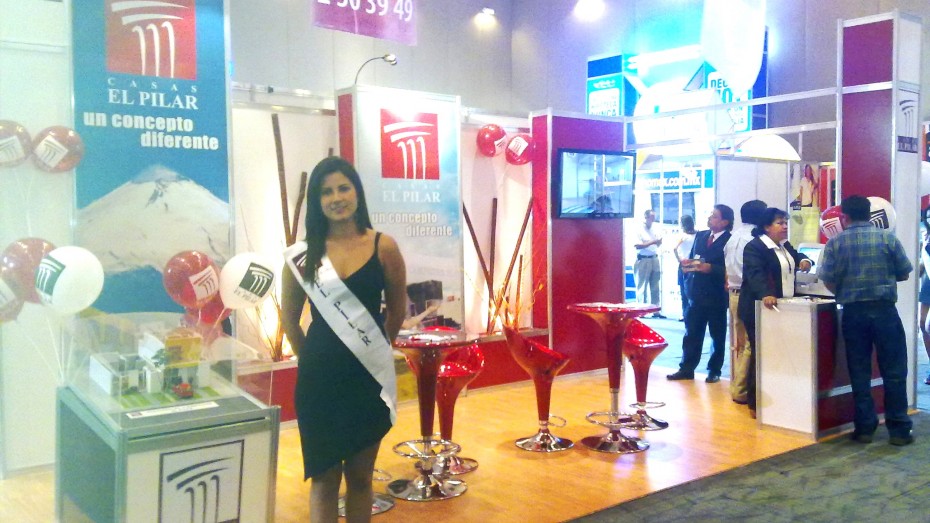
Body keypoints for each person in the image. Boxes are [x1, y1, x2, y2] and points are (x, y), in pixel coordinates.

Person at [281, 156, 408, 522]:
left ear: (357, 192)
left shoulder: (384, 246)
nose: (336, 198)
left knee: (361, 478)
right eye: (326, 192)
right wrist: (311, 359)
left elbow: (397, 310)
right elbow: (289, 319)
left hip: (367, 379)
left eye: (343, 188)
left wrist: (377, 352)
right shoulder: (302, 255)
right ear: (317, 201)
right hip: (319, 380)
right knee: (323, 479)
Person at [819, 195, 914, 446]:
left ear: (844, 217)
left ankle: (864, 428)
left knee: (859, 372)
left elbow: (827, 278)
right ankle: (899, 430)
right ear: (870, 214)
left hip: (853, 314)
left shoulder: (835, 243)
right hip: (885, 312)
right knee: (894, 371)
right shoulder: (888, 238)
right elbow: (904, 272)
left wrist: (843, 291)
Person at [738, 207, 812, 418]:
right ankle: (755, 402)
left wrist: (805, 260)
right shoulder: (755, 247)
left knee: (779, 353)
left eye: (786, 223)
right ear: (766, 227)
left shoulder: (784, 245)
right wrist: (766, 294)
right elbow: (755, 274)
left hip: (784, 308)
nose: (785, 226)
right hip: (759, 308)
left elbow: (797, 256)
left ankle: (779, 396)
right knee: (761, 353)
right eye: (780, 223)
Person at [667, 205, 733, 383]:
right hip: (695, 292)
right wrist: (688, 265)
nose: (710, 218)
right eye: (710, 215)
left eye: (714, 216)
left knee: (717, 334)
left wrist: (711, 268)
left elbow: (731, 269)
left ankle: (714, 370)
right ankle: (686, 368)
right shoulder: (702, 235)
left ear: (724, 222)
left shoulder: (730, 240)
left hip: (716, 294)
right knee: (692, 333)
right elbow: (694, 256)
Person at [723, 200, 767, 404]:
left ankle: (738, 386)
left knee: (740, 344)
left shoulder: (733, 238)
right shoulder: (754, 240)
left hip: (733, 293)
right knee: (750, 343)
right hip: (746, 294)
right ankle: (741, 390)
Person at [634, 209, 664, 318]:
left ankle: (655, 310)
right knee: (642, 286)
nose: (653, 219)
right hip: (643, 259)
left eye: (654, 217)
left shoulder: (656, 228)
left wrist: (657, 242)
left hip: (654, 258)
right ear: (646, 217)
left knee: (655, 286)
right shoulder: (638, 229)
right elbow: (638, 245)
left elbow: (658, 244)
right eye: (651, 217)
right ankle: (641, 310)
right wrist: (653, 242)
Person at [673, 215, 696, 321]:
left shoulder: (683, 236)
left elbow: (674, 248)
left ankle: (685, 313)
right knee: (689, 290)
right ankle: (689, 313)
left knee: (684, 290)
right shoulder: (698, 235)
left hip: (685, 264)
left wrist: (680, 260)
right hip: (694, 263)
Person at [919, 206, 930, 385]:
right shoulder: (925, 235)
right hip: (928, 282)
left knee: (929, 325)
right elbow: (923, 262)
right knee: (922, 324)